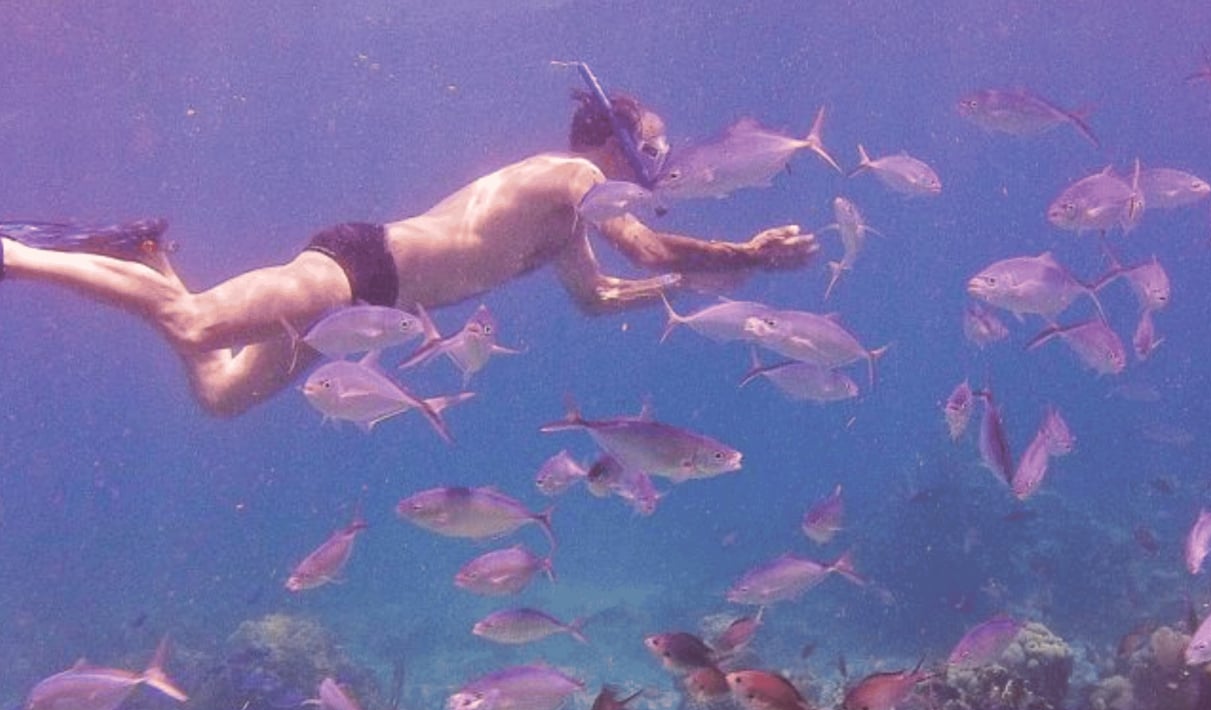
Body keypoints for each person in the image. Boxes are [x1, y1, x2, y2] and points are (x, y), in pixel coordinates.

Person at [0, 88, 817, 417]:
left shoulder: (570, 222)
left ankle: (148, 254)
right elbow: (645, 249)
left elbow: (600, 298)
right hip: (359, 269)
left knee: (219, 396)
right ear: (611, 142)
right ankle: (12, 254)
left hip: (367, 313)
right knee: (192, 325)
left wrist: (705, 280)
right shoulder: (572, 176)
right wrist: (741, 250)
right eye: (652, 143)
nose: (660, 158)